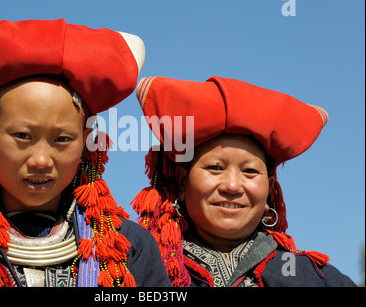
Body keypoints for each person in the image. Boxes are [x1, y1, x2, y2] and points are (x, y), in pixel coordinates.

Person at [0, 9, 171, 287]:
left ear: (86, 141)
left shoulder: (129, 248)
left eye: (62, 139)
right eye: (22, 136)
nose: (40, 160)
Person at [131, 75, 356, 287]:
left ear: (269, 190)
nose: (232, 186)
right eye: (215, 168)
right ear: (182, 183)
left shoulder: (313, 277)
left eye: (249, 171)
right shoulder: (136, 265)